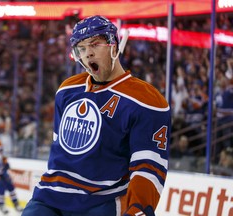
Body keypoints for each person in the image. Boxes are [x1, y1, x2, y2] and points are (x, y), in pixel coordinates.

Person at [22, 15, 171, 216]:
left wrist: (138, 208)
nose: (88, 54)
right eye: (81, 49)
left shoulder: (146, 100)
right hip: (50, 196)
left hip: (102, 201)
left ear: (113, 46)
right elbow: (61, 149)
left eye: (94, 44)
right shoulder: (67, 89)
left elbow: (148, 166)